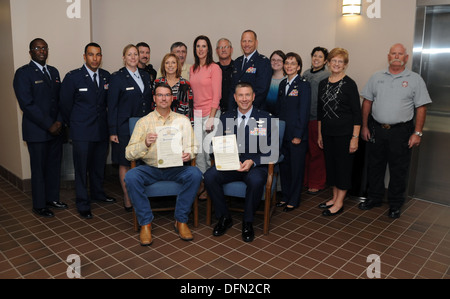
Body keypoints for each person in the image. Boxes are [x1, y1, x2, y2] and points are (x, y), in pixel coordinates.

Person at [359, 43, 432, 219]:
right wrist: (365, 126)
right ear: (388, 56)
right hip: (377, 128)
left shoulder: (415, 79)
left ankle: (395, 204)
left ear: (406, 58)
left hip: (401, 131)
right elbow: (367, 102)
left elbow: (421, 107)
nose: (397, 56)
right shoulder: (376, 77)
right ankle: (374, 198)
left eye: (400, 54)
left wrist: (417, 133)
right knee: (375, 166)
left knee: (399, 169)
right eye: (394, 53)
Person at [124, 83, 202, 246]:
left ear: (172, 98)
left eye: (167, 95)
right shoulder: (144, 122)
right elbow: (128, 153)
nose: (164, 98)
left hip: (176, 168)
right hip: (150, 168)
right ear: (154, 98)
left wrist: (189, 153)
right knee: (131, 176)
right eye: (160, 95)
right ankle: (145, 223)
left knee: (195, 174)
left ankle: (180, 220)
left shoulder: (183, 121)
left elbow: (193, 146)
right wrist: (145, 143)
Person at [204, 82, 274, 242]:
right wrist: (216, 148)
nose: (244, 99)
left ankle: (248, 222)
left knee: (256, 180)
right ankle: (224, 217)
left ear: (253, 96)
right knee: (209, 176)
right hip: (230, 165)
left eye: (247, 95)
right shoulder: (226, 117)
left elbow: (273, 151)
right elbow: (217, 143)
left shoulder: (265, 118)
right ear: (235, 98)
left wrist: (253, 161)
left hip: (254, 167)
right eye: (240, 95)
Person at [13, 38, 68, 218]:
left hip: (56, 130)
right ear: (31, 52)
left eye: (44, 48)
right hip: (37, 131)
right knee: (39, 169)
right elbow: (27, 104)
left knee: (54, 167)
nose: (42, 51)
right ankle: (39, 205)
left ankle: (52, 199)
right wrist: (48, 124)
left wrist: (59, 121)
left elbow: (60, 100)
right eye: (37, 48)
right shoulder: (23, 73)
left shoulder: (54, 72)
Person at [59, 42, 116, 219]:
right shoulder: (73, 77)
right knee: (82, 168)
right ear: (84, 56)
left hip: (101, 130)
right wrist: (75, 123)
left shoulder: (106, 76)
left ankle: (98, 193)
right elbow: (65, 105)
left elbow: (108, 103)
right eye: (91, 54)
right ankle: (83, 202)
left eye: (98, 55)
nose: (95, 58)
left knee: (98, 166)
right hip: (82, 131)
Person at [108, 44, 153, 212]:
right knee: (125, 162)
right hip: (124, 126)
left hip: (143, 126)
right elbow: (111, 106)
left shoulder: (145, 75)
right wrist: (113, 130)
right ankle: (127, 197)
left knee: (142, 161)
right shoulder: (117, 78)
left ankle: (140, 195)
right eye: (130, 54)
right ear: (124, 57)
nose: (133, 57)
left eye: (136, 54)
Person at [317, 48, 362, 217]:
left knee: (343, 168)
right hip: (328, 133)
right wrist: (320, 134)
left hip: (345, 134)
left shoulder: (350, 84)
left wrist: (355, 138)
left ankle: (339, 203)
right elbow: (320, 112)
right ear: (328, 63)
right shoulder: (323, 83)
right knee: (332, 167)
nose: (336, 64)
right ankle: (334, 197)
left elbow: (357, 114)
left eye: (340, 61)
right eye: (333, 60)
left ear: (345, 65)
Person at [276, 52, 311, 211]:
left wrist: (298, 135)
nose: (289, 66)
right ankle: (285, 196)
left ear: (298, 67)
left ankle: (294, 199)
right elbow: (280, 109)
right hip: (284, 134)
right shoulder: (283, 84)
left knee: (296, 169)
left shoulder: (303, 84)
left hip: (297, 135)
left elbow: (303, 112)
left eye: (292, 63)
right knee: (285, 167)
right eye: (287, 63)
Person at [189, 35, 222, 200]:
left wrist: (211, 117)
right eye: (198, 46)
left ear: (208, 49)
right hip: (196, 114)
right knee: (199, 152)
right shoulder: (193, 68)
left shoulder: (214, 68)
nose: (200, 49)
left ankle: (211, 183)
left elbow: (217, 95)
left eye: (203, 46)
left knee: (210, 151)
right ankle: (203, 182)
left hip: (211, 114)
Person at [303, 47, 330, 195]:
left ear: (325, 60)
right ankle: (306, 180)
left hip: (316, 119)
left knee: (317, 152)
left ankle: (317, 183)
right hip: (304, 118)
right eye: (314, 56)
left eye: (320, 57)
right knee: (306, 151)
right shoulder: (306, 73)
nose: (316, 59)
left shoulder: (326, 75)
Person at [229, 30, 271, 111]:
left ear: (256, 42)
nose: (246, 44)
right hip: (236, 111)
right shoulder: (237, 62)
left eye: (250, 41)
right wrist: (232, 109)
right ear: (241, 43)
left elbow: (262, 90)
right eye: (244, 41)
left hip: (255, 111)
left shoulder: (263, 62)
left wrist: (245, 108)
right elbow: (232, 89)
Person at [154, 53, 194, 125]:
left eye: (173, 62)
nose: (170, 65)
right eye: (167, 63)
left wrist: (189, 126)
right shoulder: (157, 83)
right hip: (161, 124)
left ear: (177, 65)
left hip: (180, 124)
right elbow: (153, 105)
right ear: (163, 66)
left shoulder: (185, 84)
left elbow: (189, 109)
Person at [216, 38, 234, 113]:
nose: (223, 50)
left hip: (233, 111)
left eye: (226, 47)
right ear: (216, 51)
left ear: (231, 50)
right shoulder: (213, 68)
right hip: (216, 111)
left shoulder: (238, 67)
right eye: (220, 47)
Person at [266, 50, 286, 116]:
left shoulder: (287, 80)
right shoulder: (265, 78)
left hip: (280, 116)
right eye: (273, 60)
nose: (275, 62)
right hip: (265, 114)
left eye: (279, 60)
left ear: (284, 63)